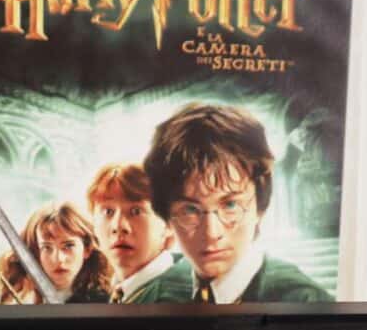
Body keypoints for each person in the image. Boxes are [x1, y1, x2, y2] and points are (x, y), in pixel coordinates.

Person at [139, 103, 333, 304]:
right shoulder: (152, 297)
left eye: (230, 205)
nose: (211, 233)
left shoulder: (304, 301)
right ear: (167, 218)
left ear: (260, 207)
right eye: (190, 210)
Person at [0, 203, 111, 304]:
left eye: (68, 246)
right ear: (36, 252)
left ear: (87, 249)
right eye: (47, 248)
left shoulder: (106, 300)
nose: (58, 259)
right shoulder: (15, 297)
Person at [86, 164, 175, 304]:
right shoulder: (118, 290)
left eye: (136, 211)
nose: (118, 226)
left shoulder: (174, 298)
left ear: (169, 224)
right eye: (108, 212)